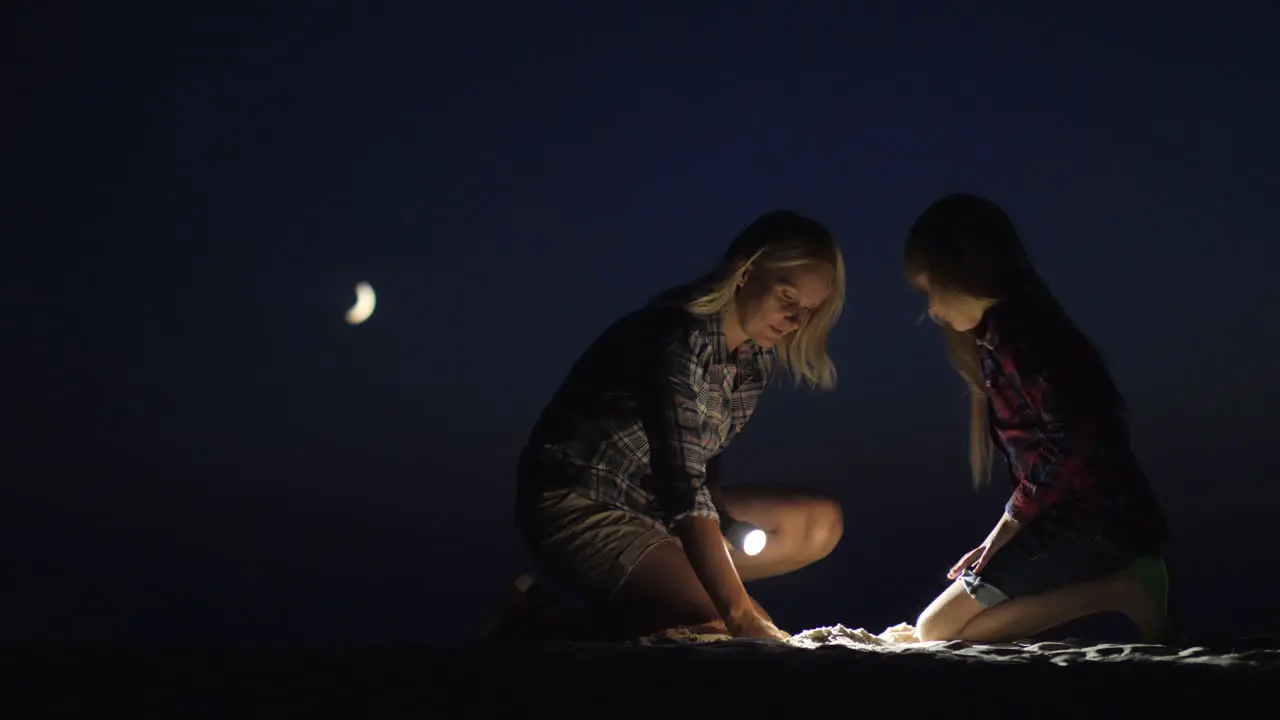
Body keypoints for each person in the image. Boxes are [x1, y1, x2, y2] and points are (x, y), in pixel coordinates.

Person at [514, 210, 847, 641]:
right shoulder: (677, 338)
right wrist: (743, 616)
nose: (796, 321)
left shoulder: (754, 358)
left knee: (819, 524)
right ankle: (542, 623)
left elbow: (704, 461)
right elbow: (683, 484)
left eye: (808, 310)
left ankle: (647, 597)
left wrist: (722, 523)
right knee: (723, 630)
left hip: (658, 508)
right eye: (787, 297)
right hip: (584, 505)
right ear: (744, 270)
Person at [904, 193, 1172, 644]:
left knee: (934, 631)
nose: (931, 309)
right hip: (1081, 518)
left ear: (962, 271)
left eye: (931, 289)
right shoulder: (1010, 332)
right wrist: (1005, 533)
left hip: (1094, 523)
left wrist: (1012, 524)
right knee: (937, 628)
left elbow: (1075, 431)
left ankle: (1122, 588)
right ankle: (1122, 586)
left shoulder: (1020, 336)